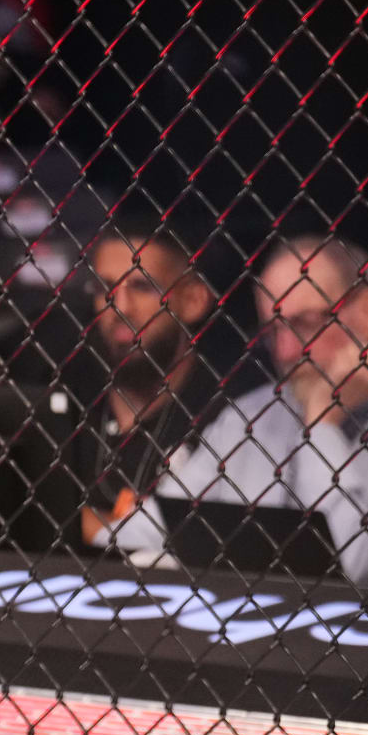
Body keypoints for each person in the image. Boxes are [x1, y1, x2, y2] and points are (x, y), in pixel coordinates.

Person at [162, 235, 368, 590]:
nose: (287, 351)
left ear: (367, 312)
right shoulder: (250, 416)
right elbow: (157, 525)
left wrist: (321, 426)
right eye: (272, 330)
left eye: (305, 323)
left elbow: (349, 567)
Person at [74, 222, 225, 557]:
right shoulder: (68, 390)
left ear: (194, 300)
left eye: (142, 287)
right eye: (106, 288)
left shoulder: (226, 414)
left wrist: (77, 521)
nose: (120, 307)